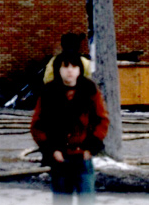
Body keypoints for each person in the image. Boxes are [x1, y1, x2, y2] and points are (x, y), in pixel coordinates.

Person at [31, 52, 109, 204]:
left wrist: (91, 147)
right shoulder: (49, 92)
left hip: (83, 156)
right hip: (60, 158)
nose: (70, 70)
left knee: (87, 200)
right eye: (65, 66)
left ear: (80, 69)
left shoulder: (89, 90)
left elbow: (102, 120)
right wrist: (51, 149)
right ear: (58, 70)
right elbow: (37, 125)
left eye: (74, 66)